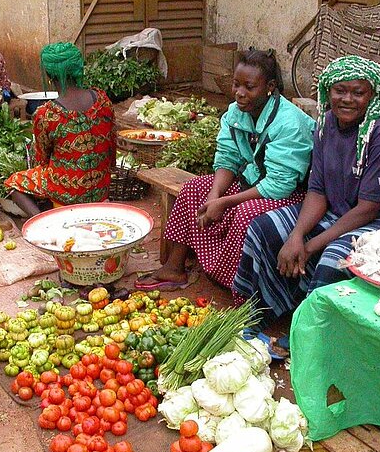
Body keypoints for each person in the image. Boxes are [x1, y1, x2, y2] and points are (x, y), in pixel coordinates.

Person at [233, 55, 380, 352]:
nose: (347, 99)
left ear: (372, 96)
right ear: (327, 91)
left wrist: (308, 247)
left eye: (358, 92)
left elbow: (368, 209)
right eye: (339, 91)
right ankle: (262, 309)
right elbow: (318, 191)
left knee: (334, 255)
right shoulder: (325, 125)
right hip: (339, 208)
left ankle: (309, 333)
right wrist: (295, 236)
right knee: (264, 227)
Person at [135, 49, 316, 291]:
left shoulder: (288, 123)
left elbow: (279, 185)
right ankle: (174, 268)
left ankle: (234, 285)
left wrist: (226, 202)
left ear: (270, 86)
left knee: (244, 214)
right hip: (253, 181)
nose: (240, 93)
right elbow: (227, 159)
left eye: (249, 87)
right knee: (193, 189)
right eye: (236, 85)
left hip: (290, 194)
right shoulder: (235, 113)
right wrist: (214, 195)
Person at [4, 42, 115, 216]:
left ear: (49, 76)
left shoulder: (47, 114)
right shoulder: (103, 100)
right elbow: (111, 146)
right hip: (101, 186)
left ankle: (42, 220)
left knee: (14, 182)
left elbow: (42, 158)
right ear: (78, 69)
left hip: (67, 192)